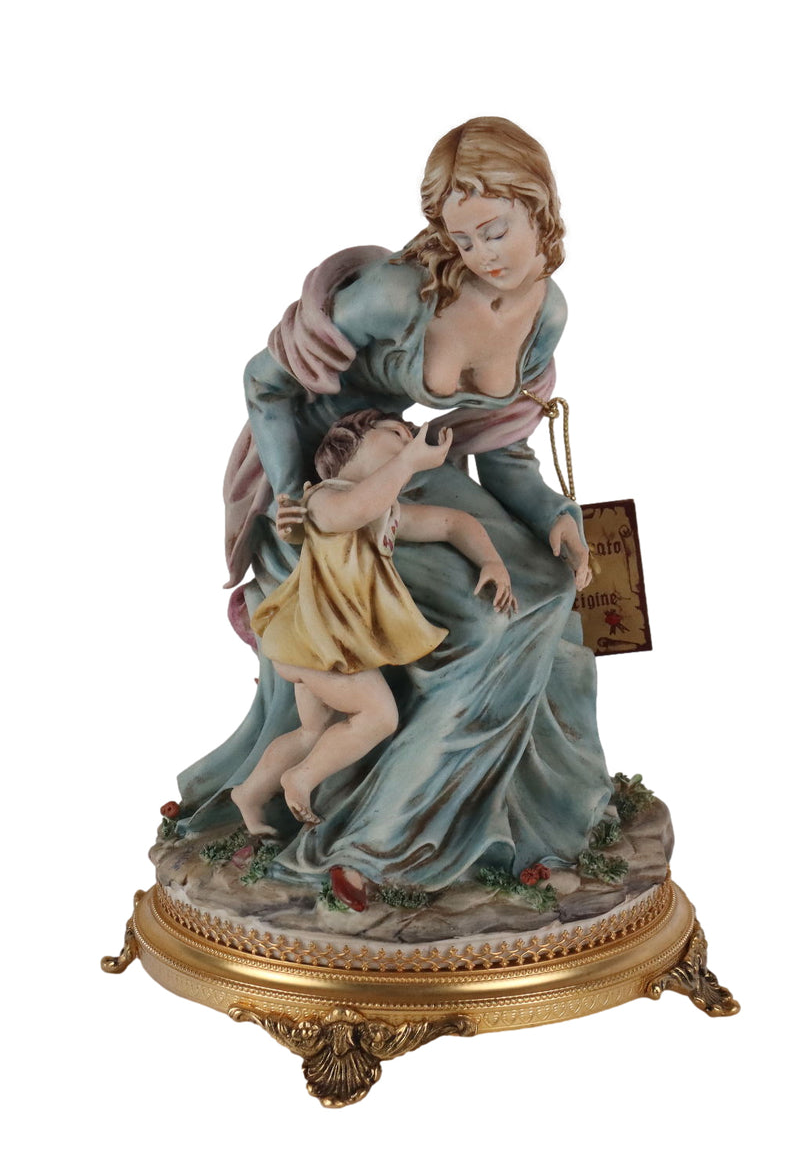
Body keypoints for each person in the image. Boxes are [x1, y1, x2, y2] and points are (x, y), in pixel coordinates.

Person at [178, 117, 615, 895]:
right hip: (327, 482)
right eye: (463, 238)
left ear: (539, 204)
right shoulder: (395, 295)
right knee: (483, 626)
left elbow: (501, 448)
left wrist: (552, 514)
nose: (482, 255)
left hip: (409, 461)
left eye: (495, 230)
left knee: (553, 592)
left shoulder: (546, 314)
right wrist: (294, 497)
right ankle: (378, 847)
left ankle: (525, 827)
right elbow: (264, 382)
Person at [230, 410, 516, 908]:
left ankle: (250, 795)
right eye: (397, 434)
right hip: (318, 642)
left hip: (329, 645)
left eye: (410, 436)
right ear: (349, 443)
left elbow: (452, 522)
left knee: (313, 732)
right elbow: (350, 511)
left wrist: (491, 559)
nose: (409, 439)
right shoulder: (324, 496)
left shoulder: (387, 510)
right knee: (379, 717)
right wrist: (408, 463)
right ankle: (302, 778)